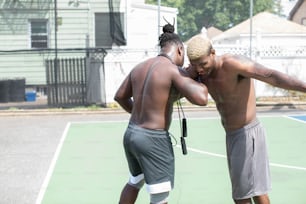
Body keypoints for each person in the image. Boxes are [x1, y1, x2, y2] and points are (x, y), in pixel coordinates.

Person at [185, 35, 306, 204]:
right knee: (252, 192)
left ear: (213, 53)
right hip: (233, 136)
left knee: (246, 195)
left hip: (248, 133)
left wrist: (304, 87)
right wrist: (187, 73)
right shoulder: (200, 74)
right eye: (194, 64)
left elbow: (270, 75)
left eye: (202, 63)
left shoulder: (233, 64)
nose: (199, 69)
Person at [114, 24, 209, 204]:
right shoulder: (172, 70)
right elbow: (202, 98)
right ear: (180, 49)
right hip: (153, 139)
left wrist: (142, 113)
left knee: (134, 182)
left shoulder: (140, 67)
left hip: (131, 133)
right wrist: (200, 77)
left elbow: (120, 96)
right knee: (160, 196)